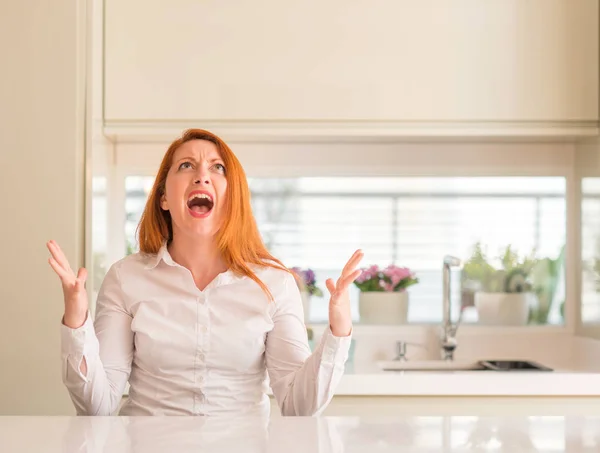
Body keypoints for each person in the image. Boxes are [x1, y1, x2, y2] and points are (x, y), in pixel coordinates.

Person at [47, 128, 363, 416]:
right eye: (186, 165)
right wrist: (76, 321)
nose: (202, 175)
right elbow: (97, 407)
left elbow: (298, 406)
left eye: (217, 167)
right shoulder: (126, 278)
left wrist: (339, 330)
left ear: (232, 198)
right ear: (164, 199)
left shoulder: (276, 284)